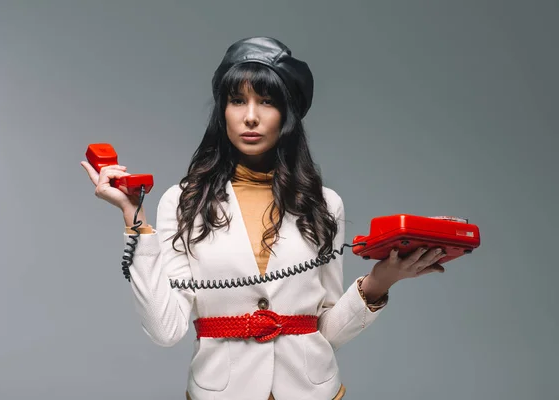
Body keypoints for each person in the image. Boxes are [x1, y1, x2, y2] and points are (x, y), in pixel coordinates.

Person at [81, 36, 446, 400]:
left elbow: (327, 332)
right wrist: (135, 220)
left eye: (267, 102)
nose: (250, 116)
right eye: (237, 101)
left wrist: (379, 283)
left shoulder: (324, 204)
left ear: (287, 116)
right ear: (222, 110)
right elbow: (165, 330)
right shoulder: (183, 202)